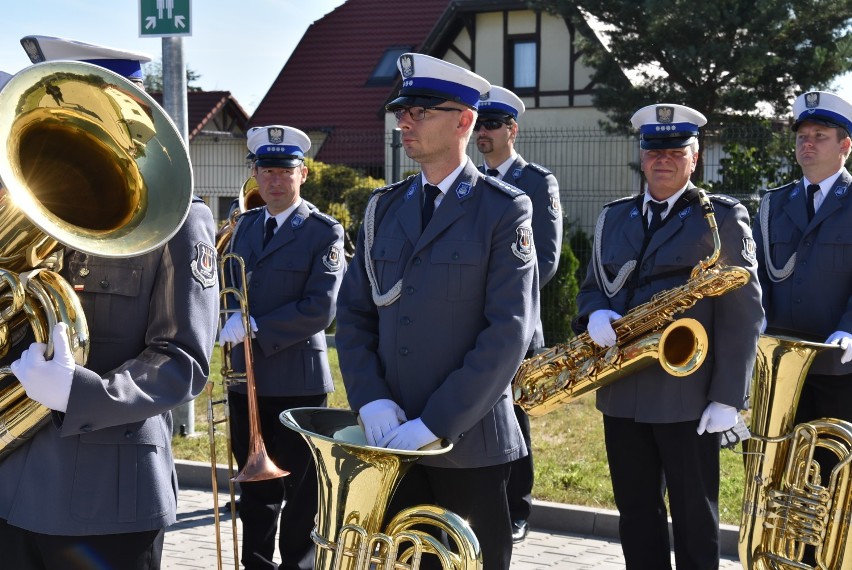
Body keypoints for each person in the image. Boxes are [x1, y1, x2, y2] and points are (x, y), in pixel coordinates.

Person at [0, 36, 220, 570]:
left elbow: (182, 361)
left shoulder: (177, 221)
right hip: (12, 485)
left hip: (110, 497)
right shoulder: (18, 206)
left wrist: (81, 392)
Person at [334, 52, 539, 570]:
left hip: (467, 445)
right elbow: (355, 313)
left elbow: (508, 333)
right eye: (403, 110)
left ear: (464, 121)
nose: (404, 121)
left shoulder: (503, 208)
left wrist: (437, 421)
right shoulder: (385, 206)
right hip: (391, 438)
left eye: (420, 112)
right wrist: (372, 401)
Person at [575, 103, 763, 569]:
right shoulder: (613, 218)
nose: (663, 159)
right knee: (636, 514)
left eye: (676, 151)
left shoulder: (719, 217)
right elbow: (593, 287)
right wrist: (595, 311)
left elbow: (745, 311)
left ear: (694, 158)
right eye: (654, 150)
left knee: (695, 516)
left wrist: (728, 397)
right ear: (642, 156)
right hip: (623, 393)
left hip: (690, 396)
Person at [218, 125, 345, 570]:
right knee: (254, 490)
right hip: (246, 381)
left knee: (302, 494)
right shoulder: (244, 227)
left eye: (284, 171)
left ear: (303, 174)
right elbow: (226, 288)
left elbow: (320, 310)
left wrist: (253, 324)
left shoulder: (324, 232)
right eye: (266, 170)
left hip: (298, 383)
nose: (274, 180)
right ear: (255, 173)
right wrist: (225, 318)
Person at [476, 84, 562, 543]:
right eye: (478, 124)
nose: (481, 133)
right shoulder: (471, 179)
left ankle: (518, 507)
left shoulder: (536, 181)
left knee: (515, 413)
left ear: (512, 129)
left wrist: (495, 297)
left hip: (515, 322)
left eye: (491, 125)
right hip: (472, 322)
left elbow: (544, 259)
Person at [754, 93, 852, 482]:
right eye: (801, 136)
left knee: (828, 478)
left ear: (846, 145)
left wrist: (850, 327)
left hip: (837, 365)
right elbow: (755, 276)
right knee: (771, 474)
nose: (807, 143)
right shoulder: (774, 204)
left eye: (820, 135)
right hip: (779, 366)